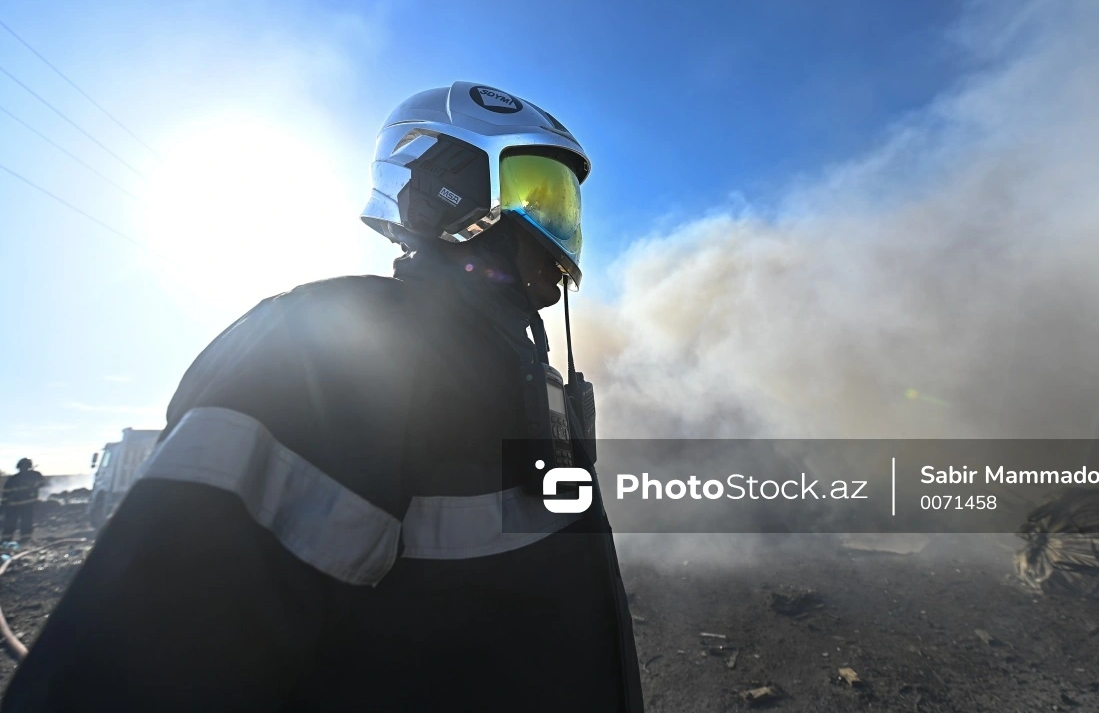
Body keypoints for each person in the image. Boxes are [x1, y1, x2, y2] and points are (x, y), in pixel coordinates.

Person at [2, 82, 643, 712]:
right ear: (453, 187)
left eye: (564, 206)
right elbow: (140, 662)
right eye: (537, 193)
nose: (556, 229)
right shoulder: (323, 346)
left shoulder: (530, 380)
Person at [1, 459, 45, 546]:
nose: (24, 468)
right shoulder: (13, 480)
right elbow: (6, 493)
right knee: (11, 523)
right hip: (14, 505)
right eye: (23, 466)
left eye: (26, 466)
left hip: (26, 504)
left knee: (26, 522)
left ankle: (25, 539)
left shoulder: (34, 476)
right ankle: (6, 540)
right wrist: (3, 505)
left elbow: (42, 483)